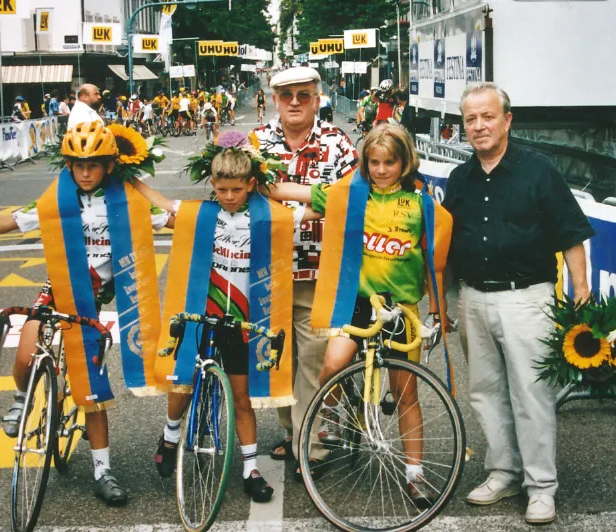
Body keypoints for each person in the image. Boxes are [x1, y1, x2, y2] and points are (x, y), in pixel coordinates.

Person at [0, 123, 171, 505]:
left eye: (93, 165)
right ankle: (22, 400)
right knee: (26, 348)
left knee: (92, 388)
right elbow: (6, 222)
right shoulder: (56, 199)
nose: (85, 173)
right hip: (61, 287)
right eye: (77, 165)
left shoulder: (130, 200)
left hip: (100, 293)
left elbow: (173, 220)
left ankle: (103, 470)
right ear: (67, 165)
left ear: (108, 166)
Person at [266, 123, 449, 502]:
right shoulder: (349, 196)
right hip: (358, 303)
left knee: (405, 393)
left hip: (402, 308)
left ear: (404, 163)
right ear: (365, 163)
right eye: (374, 162)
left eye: (390, 163)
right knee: (333, 362)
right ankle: (332, 415)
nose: (381, 170)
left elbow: (435, 266)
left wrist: (440, 313)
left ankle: (415, 474)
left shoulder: (422, 206)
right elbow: (287, 190)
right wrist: (252, 177)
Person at [442, 82, 594, 525]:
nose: (478, 126)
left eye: (487, 116)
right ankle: (502, 471)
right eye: (470, 119)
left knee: (532, 396)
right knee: (486, 393)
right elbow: (449, 246)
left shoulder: (539, 170)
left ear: (507, 120)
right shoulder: (459, 179)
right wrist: (444, 302)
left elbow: (571, 232)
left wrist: (581, 287)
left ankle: (541, 487)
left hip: (527, 298)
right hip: (473, 298)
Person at [132, 147, 316, 503]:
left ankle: (250, 469)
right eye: (222, 190)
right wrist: (124, 173)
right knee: (182, 382)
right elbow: (159, 201)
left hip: (242, 320)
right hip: (201, 312)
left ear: (250, 184)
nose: (229, 197)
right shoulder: (200, 214)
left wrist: (274, 189)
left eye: (237, 189)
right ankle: (170, 436)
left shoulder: (269, 216)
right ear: (212, 184)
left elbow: (319, 209)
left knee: (242, 398)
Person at [251, 66, 359, 476]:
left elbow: (349, 196)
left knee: (313, 361)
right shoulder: (257, 142)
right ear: (274, 99)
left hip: (318, 271)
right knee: (279, 360)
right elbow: (245, 188)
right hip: (267, 269)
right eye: (286, 95)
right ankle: (292, 431)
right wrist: (310, 198)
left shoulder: (337, 142)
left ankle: (310, 447)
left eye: (302, 94)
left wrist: (283, 200)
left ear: (317, 98)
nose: (294, 102)